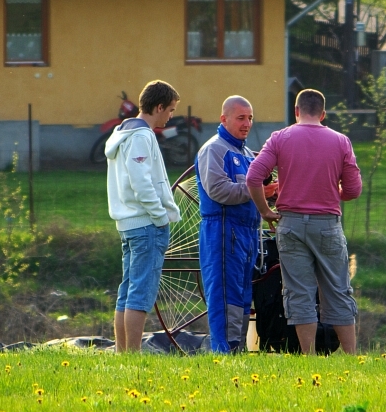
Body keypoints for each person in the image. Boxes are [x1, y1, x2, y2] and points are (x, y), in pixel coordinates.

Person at [245, 88, 362, 355]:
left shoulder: (280, 138)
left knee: (299, 292)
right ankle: (352, 356)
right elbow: (353, 190)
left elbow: (253, 177)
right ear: (323, 114)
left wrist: (265, 211)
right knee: (338, 289)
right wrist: (335, 192)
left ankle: (308, 356)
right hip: (327, 226)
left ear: (296, 111)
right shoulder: (341, 141)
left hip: (291, 225)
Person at [104, 80, 182, 353]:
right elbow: (141, 182)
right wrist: (160, 217)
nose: (170, 116)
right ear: (159, 107)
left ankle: (123, 354)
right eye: (170, 110)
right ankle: (133, 355)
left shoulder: (122, 133)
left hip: (127, 223)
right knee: (140, 294)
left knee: (127, 292)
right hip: (145, 224)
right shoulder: (141, 137)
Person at [195, 96, 277, 353]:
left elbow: (255, 191)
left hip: (248, 233)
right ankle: (223, 352)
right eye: (241, 118)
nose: (247, 123)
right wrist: (257, 192)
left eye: (250, 118)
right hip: (222, 231)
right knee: (224, 295)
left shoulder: (247, 153)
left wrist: (269, 195)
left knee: (242, 296)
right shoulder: (213, 149)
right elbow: (218, 190)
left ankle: (237, 350)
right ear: (224, 119)